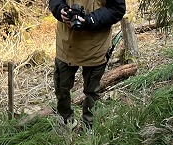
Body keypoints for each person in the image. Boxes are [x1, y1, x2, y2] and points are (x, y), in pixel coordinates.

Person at [48, 0, 126, 129]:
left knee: (92, 92)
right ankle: (66, 122)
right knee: (61, 89)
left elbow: (117, 9)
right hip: (66, 44)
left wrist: (90, 20)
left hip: (96, 46)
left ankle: (88, 125)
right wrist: (60, 10)